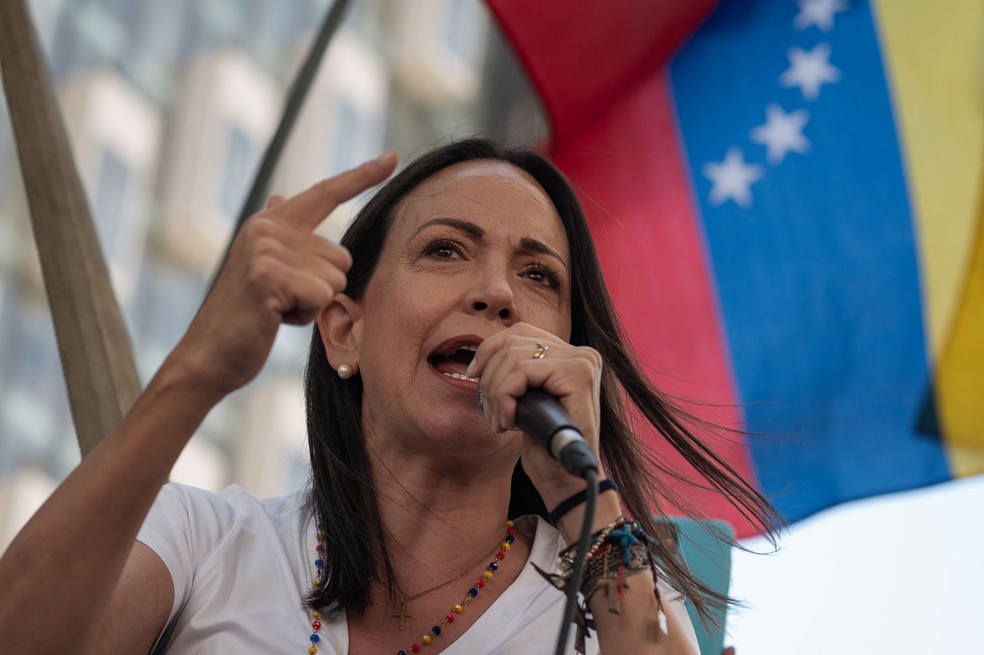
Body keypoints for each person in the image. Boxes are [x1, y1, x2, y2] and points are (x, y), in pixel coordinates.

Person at [0, 139, 776, 654]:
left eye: (540, 275)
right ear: (343, 331)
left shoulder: (617, 608)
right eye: (445, 249)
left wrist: (587, 498)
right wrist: (201, 366)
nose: (499, 291)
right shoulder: (207, 543)